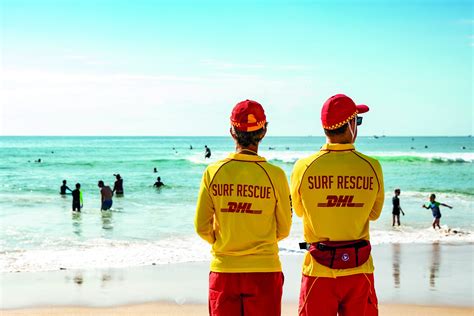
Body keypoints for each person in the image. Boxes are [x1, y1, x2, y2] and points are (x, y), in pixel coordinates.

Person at [195, 99, 292, 316]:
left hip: (224, 269)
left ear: (231, 131)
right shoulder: (275, 175)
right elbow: (284, 229)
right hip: (264, 270)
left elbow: (201, 226)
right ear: (264, 131)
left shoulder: (213, 172)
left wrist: (224, 241)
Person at [291, 94, 384, 316]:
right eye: (358, 121)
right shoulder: (371, 166)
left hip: (318, 269)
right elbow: (374, 214)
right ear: (351, 125)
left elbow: (301, 211)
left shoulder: (304, 167)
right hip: (359, 268)